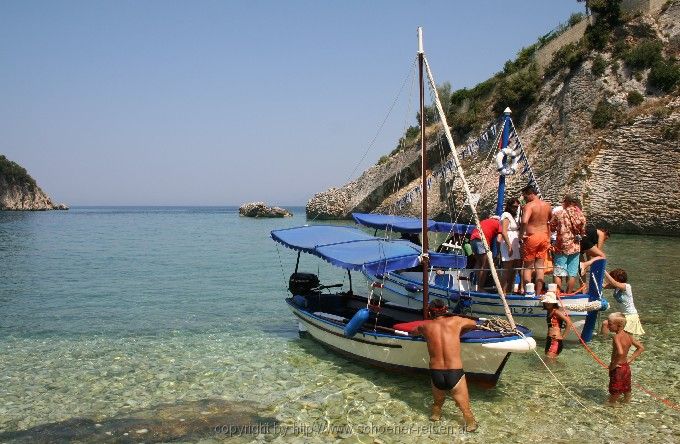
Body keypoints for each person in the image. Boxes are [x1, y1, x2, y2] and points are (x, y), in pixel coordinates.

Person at [413, 300, 478, 432]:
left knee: (437, 404)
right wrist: (458, 333)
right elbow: (474, 324)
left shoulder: (425, 327)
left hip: (436, 373)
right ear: (446, 309)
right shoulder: (457, 320)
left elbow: (413, 331)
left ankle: (435, 417)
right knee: (465, 409)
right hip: (455, 372)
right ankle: (471, 426)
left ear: (430, 311)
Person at [549, 195, 586, 293]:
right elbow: (583, 231)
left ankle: (558, 293)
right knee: (572, 273)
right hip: (575, 246)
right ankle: (569, 293)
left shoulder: (559, 213)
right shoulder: (580, 215)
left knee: (558, 273)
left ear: (566, 202)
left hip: (562, 246)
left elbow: (551, 228)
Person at [519, 185, 552, 294]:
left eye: (525, 196)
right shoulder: (547, 205)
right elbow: (550, 220)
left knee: (528, 267)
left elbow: (524, 221)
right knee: (540, 267)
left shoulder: (529, 206)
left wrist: (521, 234)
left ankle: (528, 293)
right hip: (544, 236)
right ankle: (538, 293)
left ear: (530, 194)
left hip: (532, 236)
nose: (525, 199)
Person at [606, 312, 644, 405]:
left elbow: (620, 352)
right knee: (626, 388)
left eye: (610, 324)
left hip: (618, 368)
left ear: (618, 326)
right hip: (626, 367)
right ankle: (626, 402)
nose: (607, 326)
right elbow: (641, 348)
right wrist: (631, 359)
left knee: (615, 390)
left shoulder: (616, 337)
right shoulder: (629, 335)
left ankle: (611, 404)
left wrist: (613, 365)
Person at [600, 269, 645, 336]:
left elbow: (614, 283)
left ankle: (616, 339)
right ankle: (604, 341)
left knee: (628, 337)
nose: (610, 278)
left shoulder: (626, 286)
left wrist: (604, 270)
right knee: (605, 324)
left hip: (631, 316)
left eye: (612, 277)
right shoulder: (616, 286)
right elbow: (603, 286)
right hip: (624, 315)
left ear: (617, 278)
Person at [469, 215, 501, 291]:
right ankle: (480, 288)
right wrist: (499, 252)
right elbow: (498, 240)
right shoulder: (499, 223)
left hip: (473, 239)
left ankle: (475, 284)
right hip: (481, 240)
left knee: (479, 263)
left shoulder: (483, 221)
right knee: (485, 265)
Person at [499, 198, 522, 294]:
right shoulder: (506, 215)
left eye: (517, 207)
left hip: (515, 244)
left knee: (514, 269)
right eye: (514, 206)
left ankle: (509, 290)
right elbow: (504, 232)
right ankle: (502, 292)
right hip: (508, 243)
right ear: (509, 206)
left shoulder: (513, 217)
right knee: (507, 269)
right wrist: (509, 246)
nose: (515, 208)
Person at [542, 291, 571, 359]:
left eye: (550, 302)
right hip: (550, 340)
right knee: (549, 361)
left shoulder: (556, 312)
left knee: (548, 361)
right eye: (546, 302)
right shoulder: (549, 311)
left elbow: (569, 322)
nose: (548, 303)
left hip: (555, 341)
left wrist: (563, 337)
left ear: (554, 303)